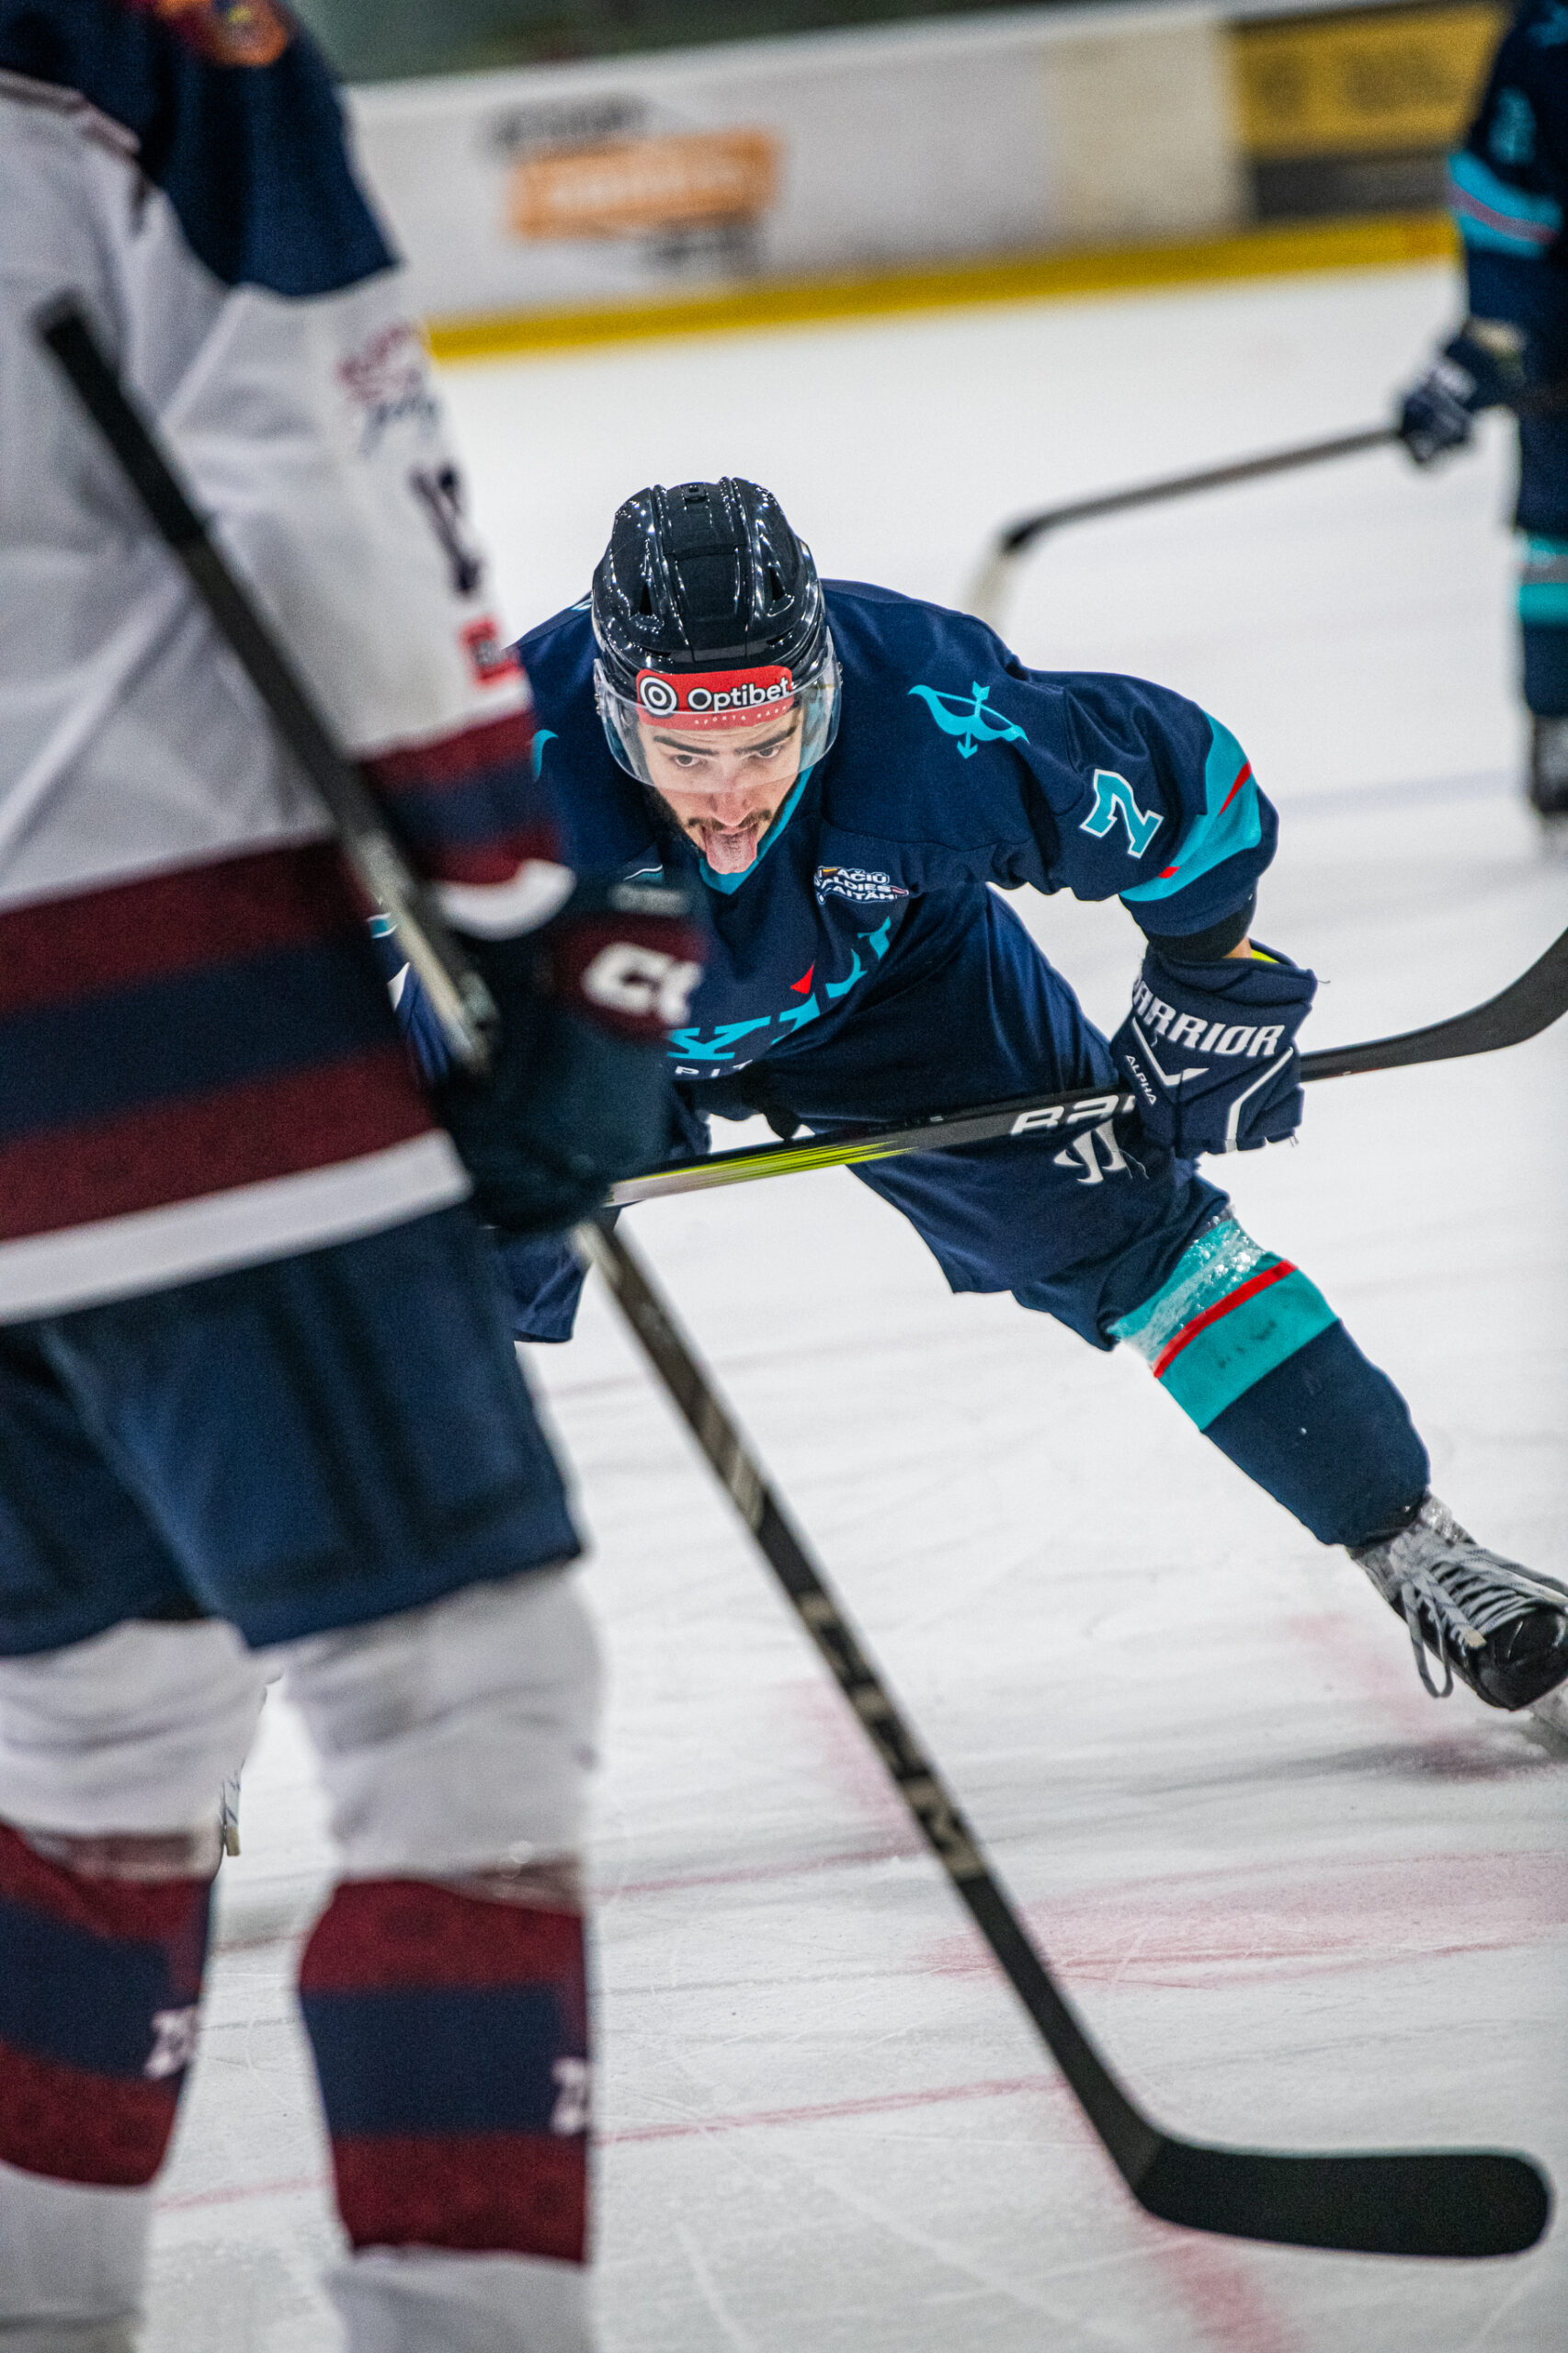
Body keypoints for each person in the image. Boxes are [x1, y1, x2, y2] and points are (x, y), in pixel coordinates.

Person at [0, 7, 699, 2351]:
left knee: (98, 1716)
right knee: (455, 1697)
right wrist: (516, 917)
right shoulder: (142, 40)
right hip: (148, 1000)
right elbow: (322, 466)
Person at [392, 475, 1568, 1724]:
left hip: (889, 984)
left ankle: (1412, 1541)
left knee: (1140, 1239)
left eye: (763, 746)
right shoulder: (496, 766)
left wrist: (1207, 988)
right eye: (684, 756)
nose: (727, 799)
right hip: (578, 1009)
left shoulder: (927, 717)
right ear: (617, 718)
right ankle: (271, 1664)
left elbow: (1194, 798)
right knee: (401, 1298)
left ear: (822, 696)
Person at [1397, 0, 1568, 820]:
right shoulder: (1546, 42)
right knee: (1559, 543)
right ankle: (1559, 720)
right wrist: (1484, 354)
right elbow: (1508, 212)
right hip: (1564, 350)